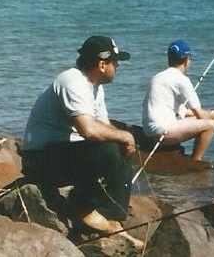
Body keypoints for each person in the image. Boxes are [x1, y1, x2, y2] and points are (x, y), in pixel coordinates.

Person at [22, 35, 137, 238]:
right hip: (38, 160)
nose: (118, 66)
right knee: (110, 148)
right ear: (102, 64)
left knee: (121, 147)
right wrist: (123, 137)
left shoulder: (96, 87)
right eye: (115, 62)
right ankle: (81, 208)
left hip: (62, 155)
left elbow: (104, 125)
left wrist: (127, 140)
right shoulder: (72, 80)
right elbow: (88, 130)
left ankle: (112, 218)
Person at [141, 39, 214, 162]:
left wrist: (211, 113)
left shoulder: (158, 77)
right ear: (187, 60)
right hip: (161, 132)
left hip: (149, 131)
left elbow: (184, 112)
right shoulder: (181, 80)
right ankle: (196, 161)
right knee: (211, 125)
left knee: (202, 120)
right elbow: (201, 115)